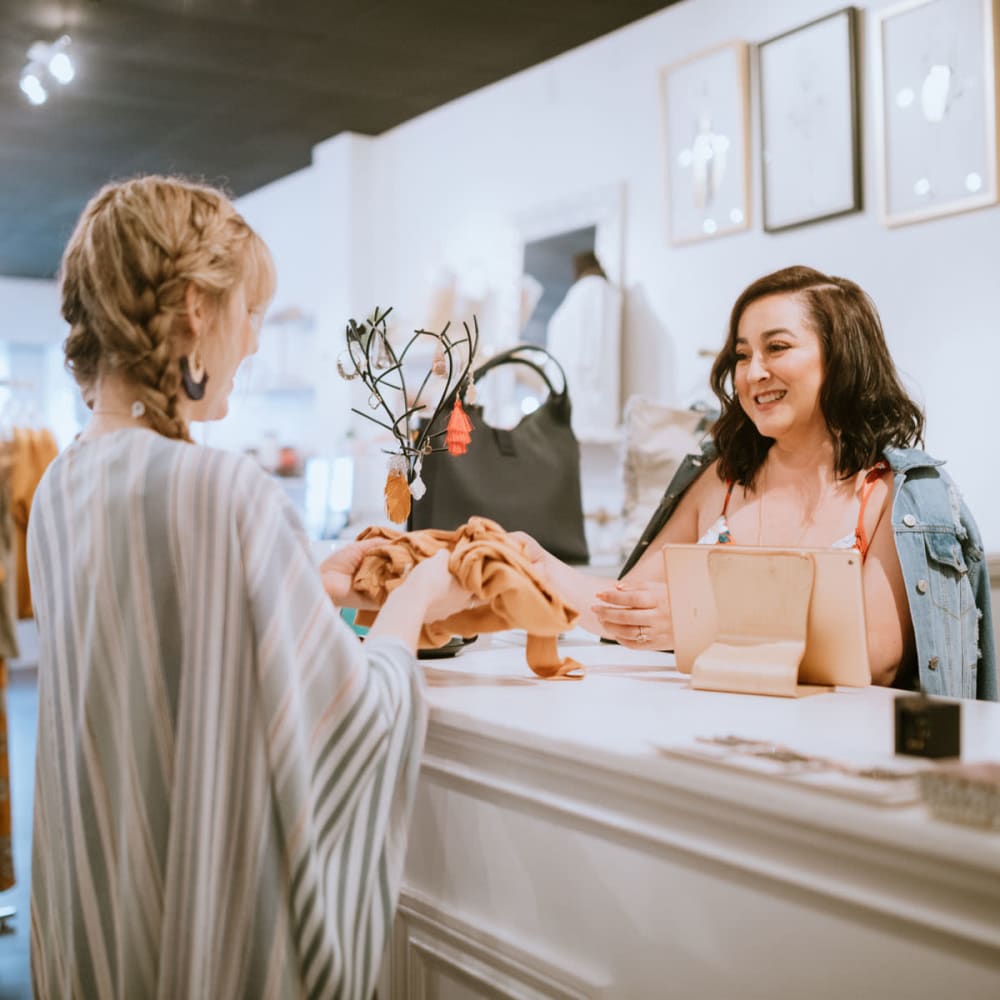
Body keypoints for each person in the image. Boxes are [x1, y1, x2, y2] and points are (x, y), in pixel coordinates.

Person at [28, 175, 471, 999]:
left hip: (103, 909)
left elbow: (158, 645)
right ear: (196, 307)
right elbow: (350, 724)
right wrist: (416, 602)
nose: (256, 344)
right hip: (200, 941)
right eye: (252, 313)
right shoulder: (225, 492)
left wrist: (304, 578)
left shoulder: (61, 484)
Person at [520, 266, 996, 701]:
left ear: (842, 357)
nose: (753, 372)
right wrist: (533, 565)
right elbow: (627, 609)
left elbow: (875, 657)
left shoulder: (899, 494)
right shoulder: (720, 479)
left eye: (778, 347)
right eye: (743, 354)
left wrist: (696, 626)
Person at [545, 250, 622, 438]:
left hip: (586, 388)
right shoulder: (594, 291)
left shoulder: (593, 289)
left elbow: (593, 340)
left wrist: (589, 373)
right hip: (585, 388)